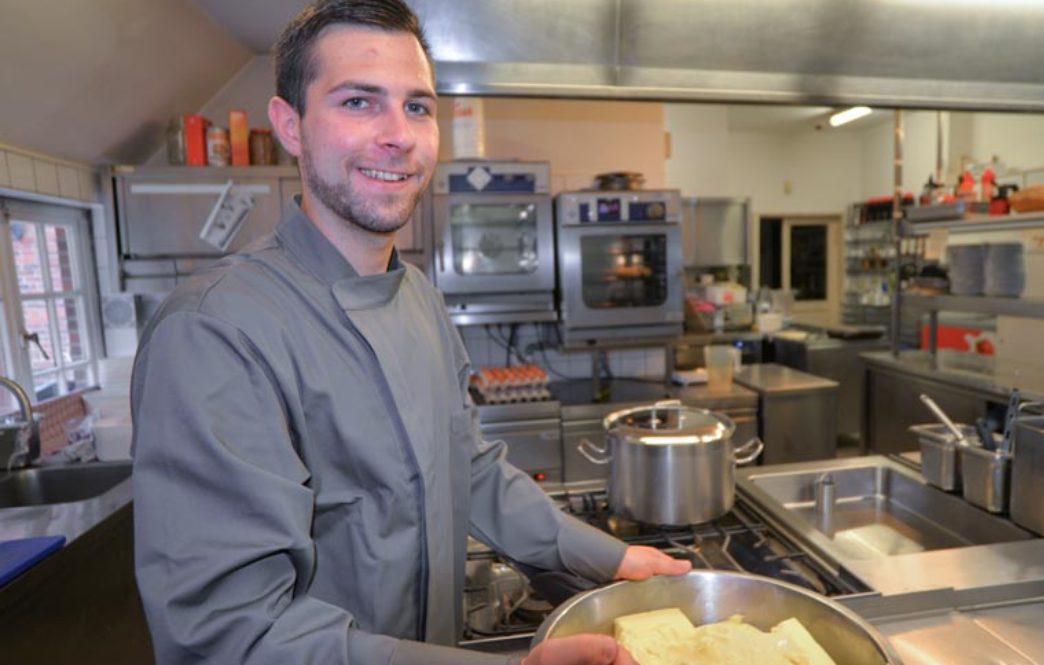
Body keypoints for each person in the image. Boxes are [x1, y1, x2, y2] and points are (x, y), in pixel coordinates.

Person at [130, 1, 690, 664]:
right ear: (290, 126)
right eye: (359, 102)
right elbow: (229, 636)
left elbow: (471, 468)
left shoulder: (419, 297)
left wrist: (611, 556)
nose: (399, 134)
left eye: (418, 107)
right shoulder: (215, 331)